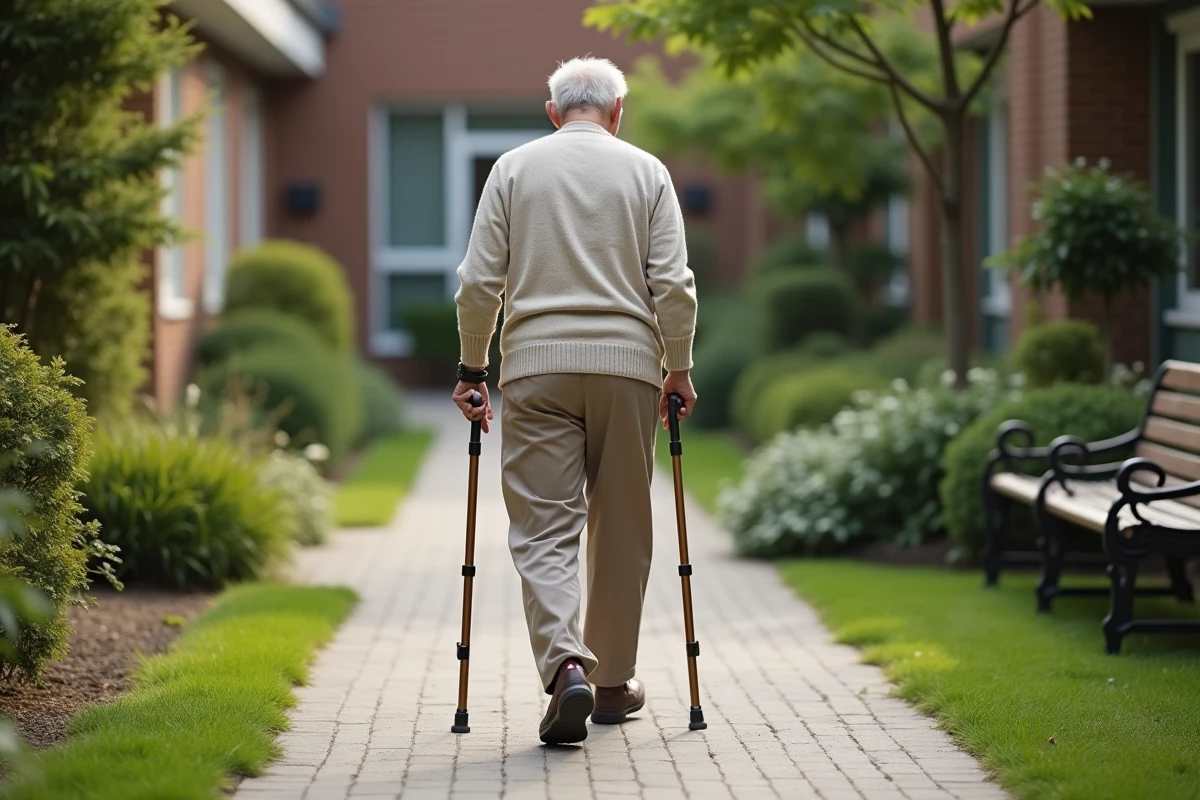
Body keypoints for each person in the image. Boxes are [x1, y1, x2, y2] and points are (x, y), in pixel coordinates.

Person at [451, 56, 698, 745]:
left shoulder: (513, 169)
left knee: (545, 528)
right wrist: (677, 369)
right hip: (628, 371)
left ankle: (566, 667)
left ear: (554, 111)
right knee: (622, 524)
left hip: (536, 371)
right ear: (618, 112)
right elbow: (673, 286)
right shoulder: (647, 171)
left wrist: (474, 366)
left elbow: (477, 282)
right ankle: (614, 682)